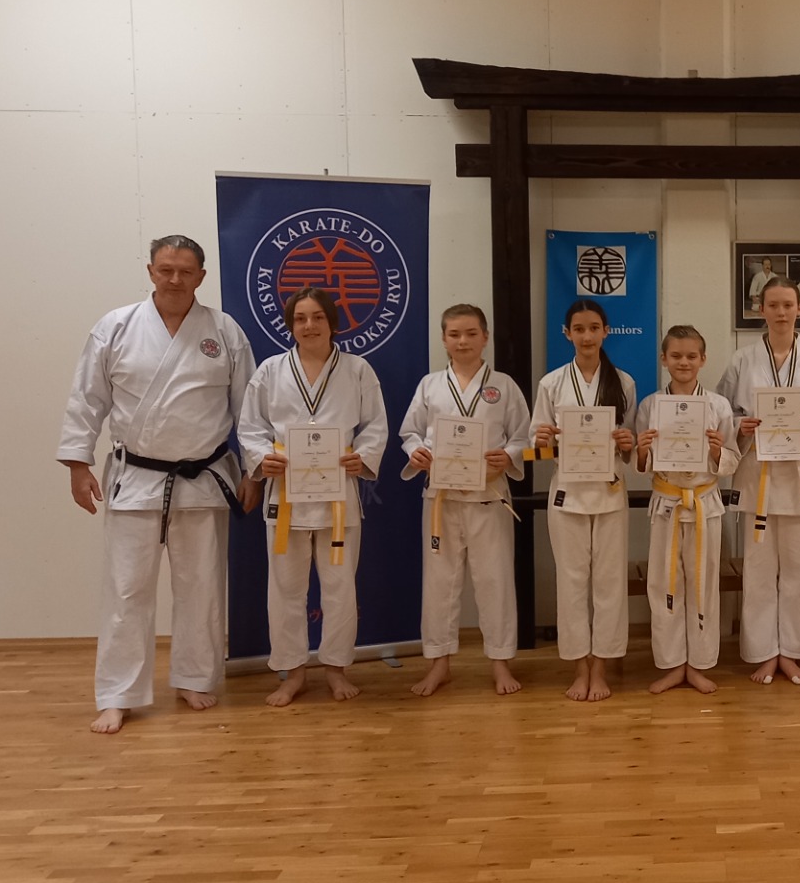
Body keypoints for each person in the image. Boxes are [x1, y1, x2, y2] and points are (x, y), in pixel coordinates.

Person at [58, 235, 259, 734]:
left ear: (201, 277)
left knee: (201, 587)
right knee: (127, 590)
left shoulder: (224, 331)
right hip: (136, 477)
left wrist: (253, 470)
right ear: (150, 271)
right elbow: (87, 398)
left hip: (204, 478)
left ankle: (195, 678)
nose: (174, 279)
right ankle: (118, 694)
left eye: (185, 271)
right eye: (165, 269)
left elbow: (249, 408)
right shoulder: (116, 327)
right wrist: (78, 463)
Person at [239, 286, 389, 706]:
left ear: (332, 322)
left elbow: (376, 424)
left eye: (317, 317)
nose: (309, 325)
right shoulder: (270, 370)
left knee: (340, 587)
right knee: (285, 588)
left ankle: (336, 669)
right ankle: (293, 673)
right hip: (286, 493)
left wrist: (363, 456)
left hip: (338, 495)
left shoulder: (358, 370)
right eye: (300, 318)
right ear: (290, 325)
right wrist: (262, 457)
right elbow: (250, 427)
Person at [398, 304, 531, 697]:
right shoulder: (430, 385)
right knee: (439, 583)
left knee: (495, 580)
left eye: (471, 333)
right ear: (443, 339)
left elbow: (522, 436)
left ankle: (500, 662)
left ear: (485, 337)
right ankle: (439, 663)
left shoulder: (504, 385)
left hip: (489, 496)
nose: (463, 341)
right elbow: (410, 432)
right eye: (454, 334)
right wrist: (416, 452)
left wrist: (508, 456)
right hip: (442, 498)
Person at [716, 275, 800, 686]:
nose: (781, 312)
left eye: (788, 305)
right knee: (759, 573)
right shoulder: (742, 360)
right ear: (761, 310)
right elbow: (722, 412)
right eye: (774, 305)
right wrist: (741, 426)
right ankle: (764, 653)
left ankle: (793, 652)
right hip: (758, 479)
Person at [530, 299, 638, 702]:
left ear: (606, 332)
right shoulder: (551, 383)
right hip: (567, 493)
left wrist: (627, 442)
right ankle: (580, 667)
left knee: (609, 583)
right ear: (567, 334)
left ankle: (602, 666)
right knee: (572, 582)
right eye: (579, 329)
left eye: (594, 328)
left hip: (609, 491)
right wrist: (542, 440)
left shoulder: (624, 382)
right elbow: (536, 449)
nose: (587, 336)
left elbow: (631, 446)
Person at [634, 326, 739, 694]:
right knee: (664, 584)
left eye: (691, 356)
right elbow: (640, 465)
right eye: (676, 356)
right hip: (666, 502)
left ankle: (699, 664)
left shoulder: (718, 405)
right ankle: (672, 663)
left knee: (703, 582)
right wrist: (642, 450)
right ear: (664, 359)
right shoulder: (650, 406)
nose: (684, 362)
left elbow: (732, 461)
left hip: (704, 502)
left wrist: (717, 450)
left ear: (703, 360)